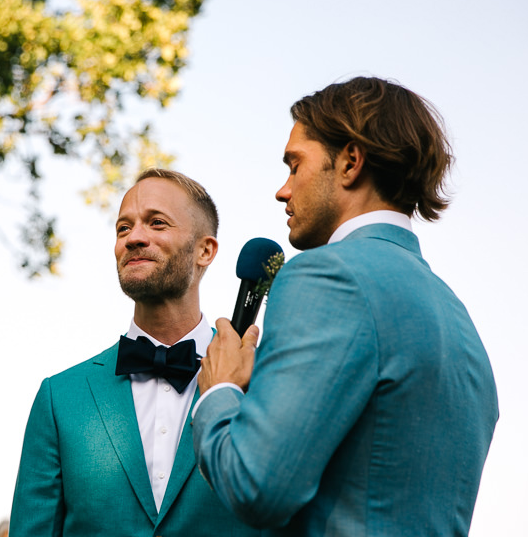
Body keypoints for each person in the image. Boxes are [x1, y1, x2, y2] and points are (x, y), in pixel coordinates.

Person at [192, 77, 499, 536]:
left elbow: (258, 487)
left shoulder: (326, 276)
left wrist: (219, 393)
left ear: (350, 162)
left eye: (295, 166)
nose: (282, 190)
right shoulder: (458, 317)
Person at [10, 169, 262, 536]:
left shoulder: (266, 380)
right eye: (123, 228)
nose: (134, 238)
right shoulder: (59, 398)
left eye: (157, 223)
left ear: (205, 250)